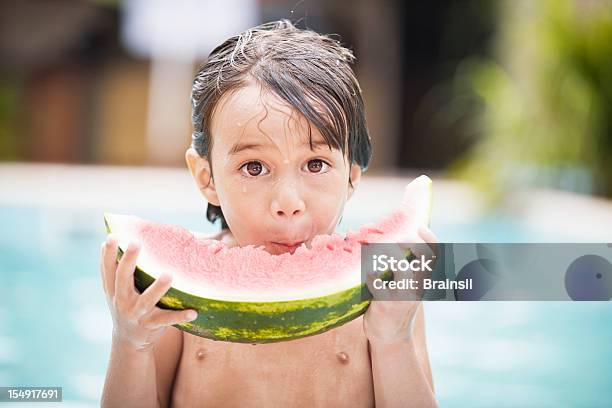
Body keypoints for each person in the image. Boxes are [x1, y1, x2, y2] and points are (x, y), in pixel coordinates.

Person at [100, 20, 438, 407]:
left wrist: (392, 340)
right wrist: (131, 342)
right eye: (254, 168)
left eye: (315, 164)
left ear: (352, 175)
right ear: (206, 177)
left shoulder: (383, 286)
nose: (288, 201)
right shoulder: (172, 288)